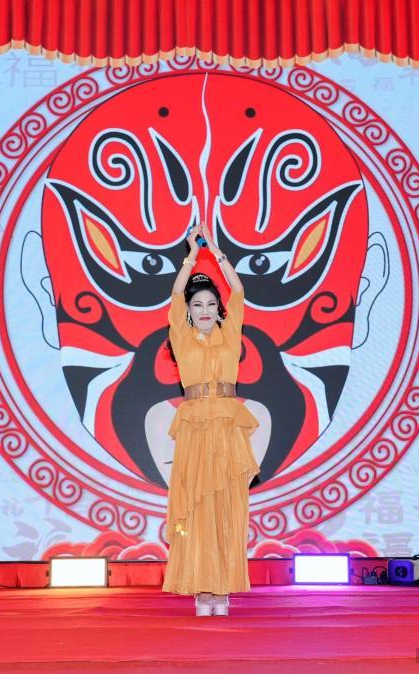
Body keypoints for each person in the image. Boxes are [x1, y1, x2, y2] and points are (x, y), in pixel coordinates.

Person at [162, 222, 260, 617]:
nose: (204, 311)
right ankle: (202, 590)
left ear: (219, 309)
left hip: (227, 427)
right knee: (197, 508)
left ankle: (223, 588)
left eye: (209, 304)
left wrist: (215, 252)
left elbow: (239, 290)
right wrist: (191, 255)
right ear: (188, 312)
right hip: (195, 429)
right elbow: (174, 294)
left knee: (227, 508)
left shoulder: (230, 333)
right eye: (196, 305)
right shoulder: (182, 337)